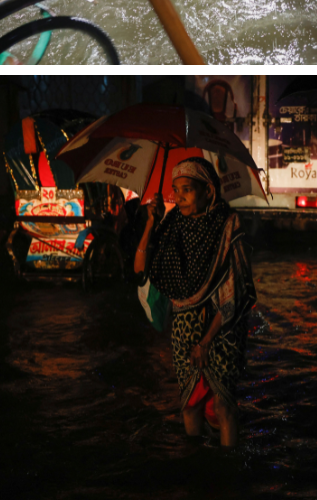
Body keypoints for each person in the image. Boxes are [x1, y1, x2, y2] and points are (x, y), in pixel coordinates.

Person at [133, 157, 255, 448]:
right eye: (176, 190)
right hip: (184, 331)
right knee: (189, 405)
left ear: (208, 192)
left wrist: (206, 342)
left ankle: (229, 473)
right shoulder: (172, 225)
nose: (180, 197)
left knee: (223, 405)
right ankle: (196, 472)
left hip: (222, 329)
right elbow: (140, 271)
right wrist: (152, 223)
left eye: (187, 189)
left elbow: (234, 293)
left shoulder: (228, 225)